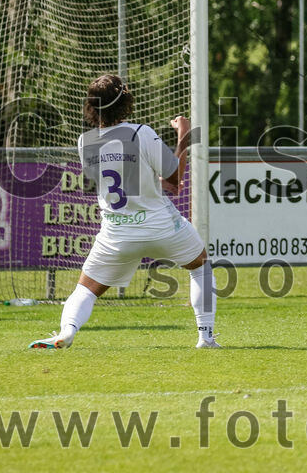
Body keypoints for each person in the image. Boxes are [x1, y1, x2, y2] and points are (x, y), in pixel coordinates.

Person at [30, 74, 219, 349]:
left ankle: (66, 331)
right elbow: (175, 179)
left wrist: (152, 182)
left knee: (86, 289)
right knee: (200, 266)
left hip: (117, 233)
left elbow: (123, 178)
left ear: (92, 107)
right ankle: (206, 337)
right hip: (160, 226)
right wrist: (184, 135)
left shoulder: (85, 142)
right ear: (125, 101)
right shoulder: (140, 133)